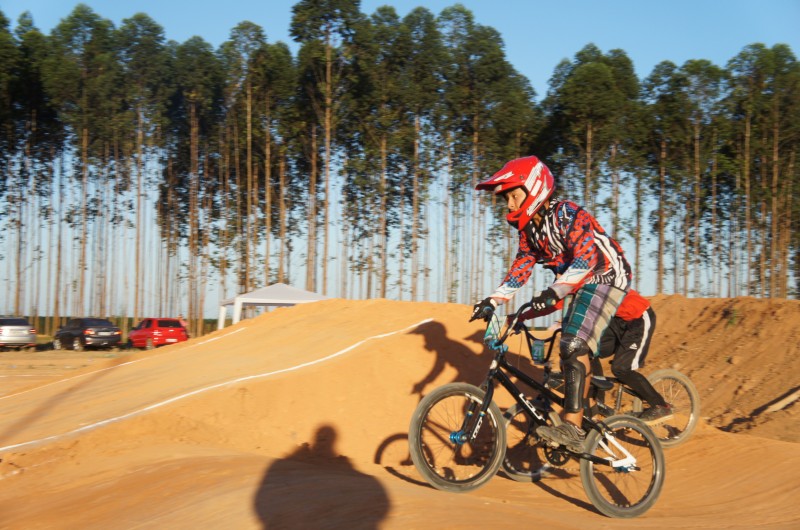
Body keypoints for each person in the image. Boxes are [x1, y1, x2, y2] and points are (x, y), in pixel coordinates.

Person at [470, 155, 632, 453]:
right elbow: (521, 268)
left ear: (534, 189)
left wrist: (554, 291)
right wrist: (493, 300)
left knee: (573, 344)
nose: (509, 205)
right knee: (566, 348)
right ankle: (589, 412)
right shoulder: (528, 232)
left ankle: (573, 427)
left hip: (607, 275)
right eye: (506, 199)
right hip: (576, 284)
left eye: (514, 196)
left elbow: (587, 257)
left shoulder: (567, 214)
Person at [516, 288, 673, 425]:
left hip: (638, 318)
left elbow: (555, 303)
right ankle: (598, 405)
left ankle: (661, 406)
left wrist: (525, 315)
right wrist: (521, 317)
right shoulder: (571, 286)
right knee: (585, 350)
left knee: (621, 369)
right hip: (616, 321)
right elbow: (555, 304)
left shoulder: (582, 277)